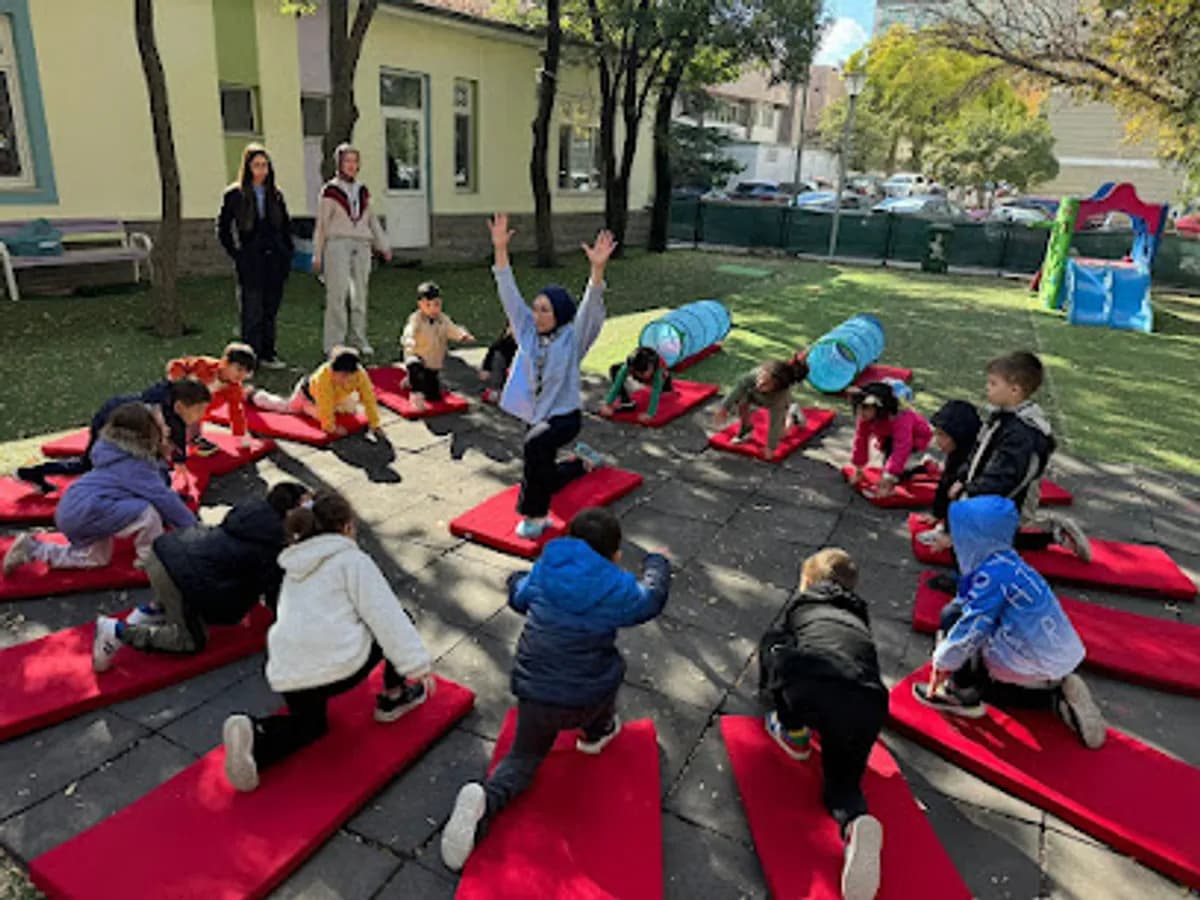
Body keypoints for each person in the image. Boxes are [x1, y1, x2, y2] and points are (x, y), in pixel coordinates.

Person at [440, 507, 670, 872]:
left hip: (535, 695)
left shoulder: (546, 570)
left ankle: (487, 799)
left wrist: (516, 579)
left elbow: (519, 598)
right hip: (586, 698)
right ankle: (597, 732)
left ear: (568, 541)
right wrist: (658, 563)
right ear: (615, 555)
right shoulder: (618, 586)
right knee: (609, 668)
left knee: (522, 761)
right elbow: (650, 601)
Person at [220, 490, 435, 792]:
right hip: (337, 669)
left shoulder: (293, 566)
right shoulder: (353, 561)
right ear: (347, 527)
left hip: (289, 671)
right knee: (400, 618)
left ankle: (258, 737)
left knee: (310, 727)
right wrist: (416, 664)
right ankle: (394, 697)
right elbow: (386, 615)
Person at [913, 495, 1108, 751]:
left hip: (1030, 661)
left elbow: (971, 626)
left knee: (954, 620)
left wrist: (943, 663)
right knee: (968, 621)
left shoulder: (988, 577)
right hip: (1060, 650)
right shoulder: (1009, 562)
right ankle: (1053, 686)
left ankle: (962, 694)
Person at [757, 548, 887, 900]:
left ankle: (793, 732)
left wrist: (773, 690)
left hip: (815, 686)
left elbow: (788, 658)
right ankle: (854, 821)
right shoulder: (859, 614)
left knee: (775, 647)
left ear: (808, 582)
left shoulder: (802, 606)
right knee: (842, 784)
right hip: (869, 700)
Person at [488, 212, 617, 540]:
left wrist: (597, 269)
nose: (537, 314)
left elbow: (590, 305)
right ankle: (579, 463)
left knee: (534, 446)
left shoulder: (574, 337)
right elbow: (507, 291)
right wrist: (500, 248)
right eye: (536, 308)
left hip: (564, 417)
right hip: (536, 416)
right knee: (543, 473)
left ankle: (536, 516)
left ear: (560, 313)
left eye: (545, 309)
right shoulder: (526, 332)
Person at [91, 482, 310, 672]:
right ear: (291, 513)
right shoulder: (274, 545)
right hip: (179, 575)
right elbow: (276, 595)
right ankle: (117, 632)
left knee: (190, 587)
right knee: (191, 641)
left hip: (166, 551)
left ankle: (156, 609)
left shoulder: (251, 513)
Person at [4, 403, 198, 575]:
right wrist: (196, 532)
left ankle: (33, 549)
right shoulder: (133, 466)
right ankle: (151, 558)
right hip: (86, 511)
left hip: (79, 508)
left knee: (96, 560)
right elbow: (164, 499)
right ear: (148, 433)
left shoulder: (117, 454)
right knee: (147, 512)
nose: (167, 429)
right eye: (162, 425)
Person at [951, 351, 1090, 561]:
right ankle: (1050, 534)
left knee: (993, 543)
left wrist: (972, 494)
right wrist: (963, 478)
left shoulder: (1023, 432)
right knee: (984, 535)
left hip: (1013, 496)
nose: (987, 387)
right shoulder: (1001, 414)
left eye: (993, 383)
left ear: (1015, 390)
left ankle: (1052, 533)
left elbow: (1009, 477)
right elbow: (979, 450)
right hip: (993, 492)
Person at [16, 379, 212, 493]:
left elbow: (176, 448)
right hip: (109, 421)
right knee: (87, 464)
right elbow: (169, 448)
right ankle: (32, 473)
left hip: (126, 425)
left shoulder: (173, 409)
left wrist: (180, 463)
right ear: (180, 406)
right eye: (199, 410)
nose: (201, 416)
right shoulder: (157, 410)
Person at [217, 143, 294, 369]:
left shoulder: (275, 195)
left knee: (270, 309)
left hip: (275, 259)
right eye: (256, 165)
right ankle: (250, 359)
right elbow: (223, 228)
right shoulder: (235, 195)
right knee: (252, 311)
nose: (261, 170)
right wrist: (236, 253)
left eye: (265, 165)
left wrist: (287, 252)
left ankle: (268, 354)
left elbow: (285, 227)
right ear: (248, 167)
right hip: (251, 259)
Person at [313, 143, 391, 356]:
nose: (351, 165)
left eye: (355, 161)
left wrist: (383, 245)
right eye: (347, 161)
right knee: (337, 296)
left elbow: (371, 220)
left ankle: (358, 338)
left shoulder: (362, 190)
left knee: (360, 295)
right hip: (337, 244)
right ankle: (334, 343)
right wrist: (317, 253)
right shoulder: (330, 190)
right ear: (339, 163)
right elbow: (322, 224)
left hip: (362, 245)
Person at [249, 346, 383, 438]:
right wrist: (331, 427)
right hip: (307, 396)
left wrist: (375, 424)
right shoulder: (323, 378)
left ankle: (328, 409)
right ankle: (255, 395)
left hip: (338, 397)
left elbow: (369, 397)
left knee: (350, 408)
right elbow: (325, 406)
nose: (342, 379)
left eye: (345, 376)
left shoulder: (360, 374)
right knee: (286, 407)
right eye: (338, 375)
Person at [847, 380, 933, 498]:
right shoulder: (865, 417)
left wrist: (888, 479)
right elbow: (860, 439)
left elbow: (901, 448)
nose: (860, 412)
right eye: (858, 407)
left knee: (896, 472)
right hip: (888, 436)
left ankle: (925, 467)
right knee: (888, 459)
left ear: (880, 408)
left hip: (916, 437)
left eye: (865, 408)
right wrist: (858, 468)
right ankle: (902, 469)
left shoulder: (901, 418)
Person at [914, 400, 981, 550]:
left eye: (942, 435)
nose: (937, 440)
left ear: (959, 436)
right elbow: (945, 481)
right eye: (937, 433)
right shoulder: (956, 453)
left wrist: (948, 533)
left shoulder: (974, 458)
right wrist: (937, 514)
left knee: (959, 491)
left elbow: (960, 494)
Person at [167, 342, 258, 451]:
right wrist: (181, 383)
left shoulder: (234, 388)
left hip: (195, 414)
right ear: (225, 363)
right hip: (176, 401)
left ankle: (192, 438)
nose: (242, 375)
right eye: (239, 369)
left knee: (191, 426)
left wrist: (241, 437)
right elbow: (176, 365)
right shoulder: (204, 365)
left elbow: (236, 413)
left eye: (246, 372)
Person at [400, 280, 475, 412]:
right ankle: (416, 395)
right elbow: (410, 329)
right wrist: (409, 340)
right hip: (416, 354)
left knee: (434, 396)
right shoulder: (416, 318)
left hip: (432, 361)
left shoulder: (443, 319)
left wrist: (463, 336)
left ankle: (412, 380)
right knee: (414, 365)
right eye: (428, 305)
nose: (433, 309)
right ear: (420, 305)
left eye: (437, 304)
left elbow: (453, 329)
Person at [712, 359, 808, 461]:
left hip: (773, 402)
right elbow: (737, 390)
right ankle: (746, 429)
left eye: (765, 383)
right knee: (741, 400)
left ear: (775, 387)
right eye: (760, 378)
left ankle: (792, 414)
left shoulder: (780, 397)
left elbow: (774, 423)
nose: (760, 383)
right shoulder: (753, 376)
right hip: (754, 395)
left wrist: (771, 448)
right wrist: (724, 409)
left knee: (782, 435)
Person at [599, 346, 674, 423]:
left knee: (666, 395)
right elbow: (617, 384)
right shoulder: (630, 366)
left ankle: (667, 388)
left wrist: (649, 414)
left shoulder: (658, 372)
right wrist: (607, 404)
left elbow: (655, 393)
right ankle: (626, 402)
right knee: (615, 369)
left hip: (664, 379)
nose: (644, 373)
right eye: (641, 373)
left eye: (646, 371)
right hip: (641, 374)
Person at [479, 324, 516, 405]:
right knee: (498, 356)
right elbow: (495, 348)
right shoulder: (507, 340)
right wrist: (486, 368)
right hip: (507, 369)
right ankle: (495, 390)